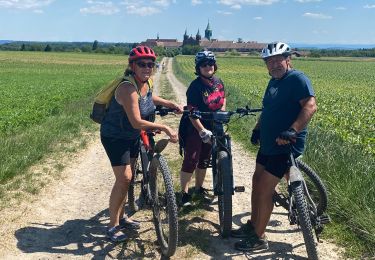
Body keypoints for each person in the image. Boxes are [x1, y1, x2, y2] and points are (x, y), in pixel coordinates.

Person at [232, 42, 317, 251]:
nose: (274, 64)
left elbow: (310, 105)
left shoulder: (297, 79)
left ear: (288, 60)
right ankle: (253, 224)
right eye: (270, 61)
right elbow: (268, 110)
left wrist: (293, 130)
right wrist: (257, 128)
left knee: (264, 188)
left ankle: (259, 237)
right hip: (268, 143)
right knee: (256, 180)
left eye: (278, 60)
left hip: (285, 145)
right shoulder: (273, 82)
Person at [100, 45, 183, 242]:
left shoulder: (145, 82)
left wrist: (170, 104)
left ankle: (122, 217)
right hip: (115, 136)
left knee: (129, 174)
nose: (147, 67)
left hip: (131, 135)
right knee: (125, 178)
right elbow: (137, 121)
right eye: (142, 64)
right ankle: (112, 225)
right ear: (132, 66)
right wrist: (163, 127)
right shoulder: (128, 88)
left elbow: (148, 97)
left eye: (150, 64)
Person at [179, 50, 226, 206]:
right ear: (198, 68)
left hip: (213, 125)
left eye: (210, 63)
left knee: (205, 159)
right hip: (195, 125)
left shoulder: (218, 82)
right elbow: (191, 111)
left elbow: (222, 99)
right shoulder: (195, 87)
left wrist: (222, 117)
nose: (208, 67)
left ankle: (199, 188)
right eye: (204, 65)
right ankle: (184, 194)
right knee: (191, 159)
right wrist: (201, 130)